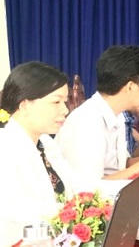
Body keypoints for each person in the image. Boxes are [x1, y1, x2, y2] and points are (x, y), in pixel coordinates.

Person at [0, 62, 88, 245]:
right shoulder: (6, 152)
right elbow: (18, 227)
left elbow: (76, 188)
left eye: (64, 102)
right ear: (24, 105)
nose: (65, 110)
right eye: (56, 102)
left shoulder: (46, 143)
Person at [57, 45, 139, 181]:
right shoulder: (86, 122)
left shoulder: (118, 116)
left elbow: (121, 166)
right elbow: (88, 188)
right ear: (131, 87)